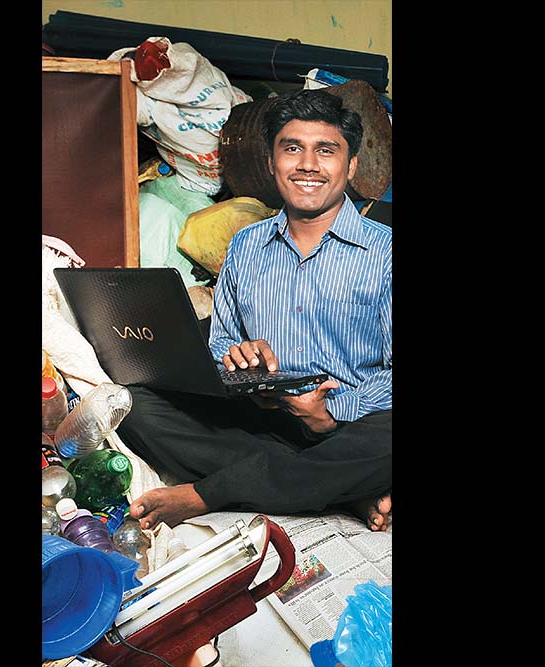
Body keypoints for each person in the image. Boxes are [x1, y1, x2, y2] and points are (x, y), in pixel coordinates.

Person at [117, 89, 392, 532]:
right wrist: (239, 361)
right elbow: (221, 340)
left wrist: (331, 415)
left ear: (351, 165)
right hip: (268, 419)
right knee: (136, 406)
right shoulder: (246, 245)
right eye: (292, 149)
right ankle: (341, 490)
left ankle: (212, 492)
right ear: (271, 162)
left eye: (326, 150)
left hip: (352, 427)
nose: (308, 164)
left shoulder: (386, 253)